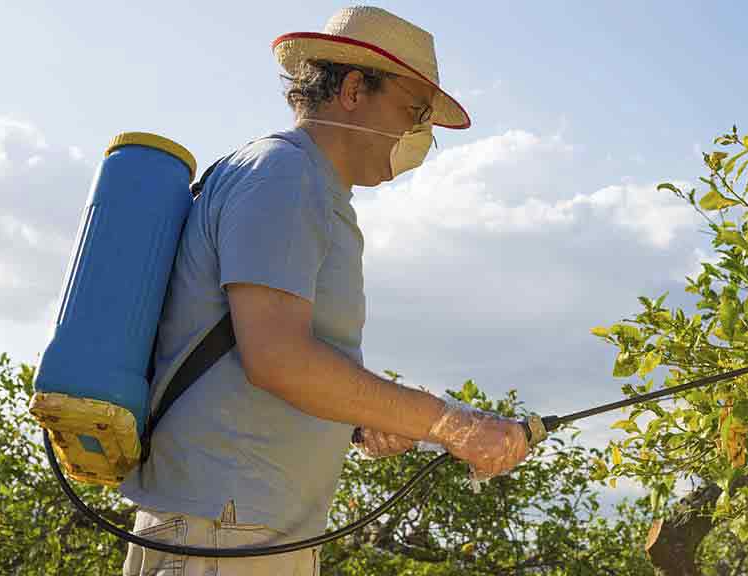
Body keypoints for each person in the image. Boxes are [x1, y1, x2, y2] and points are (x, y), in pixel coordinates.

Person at [120, 6, 530, 575]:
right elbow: (278, 358)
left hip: (246, 527)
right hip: (226, 530)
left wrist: (360, 421)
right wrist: (449, 423)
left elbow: (263, 354)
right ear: (356, 89)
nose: (416, 135)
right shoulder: (286, 176)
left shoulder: (299, 182)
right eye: (413, 112)